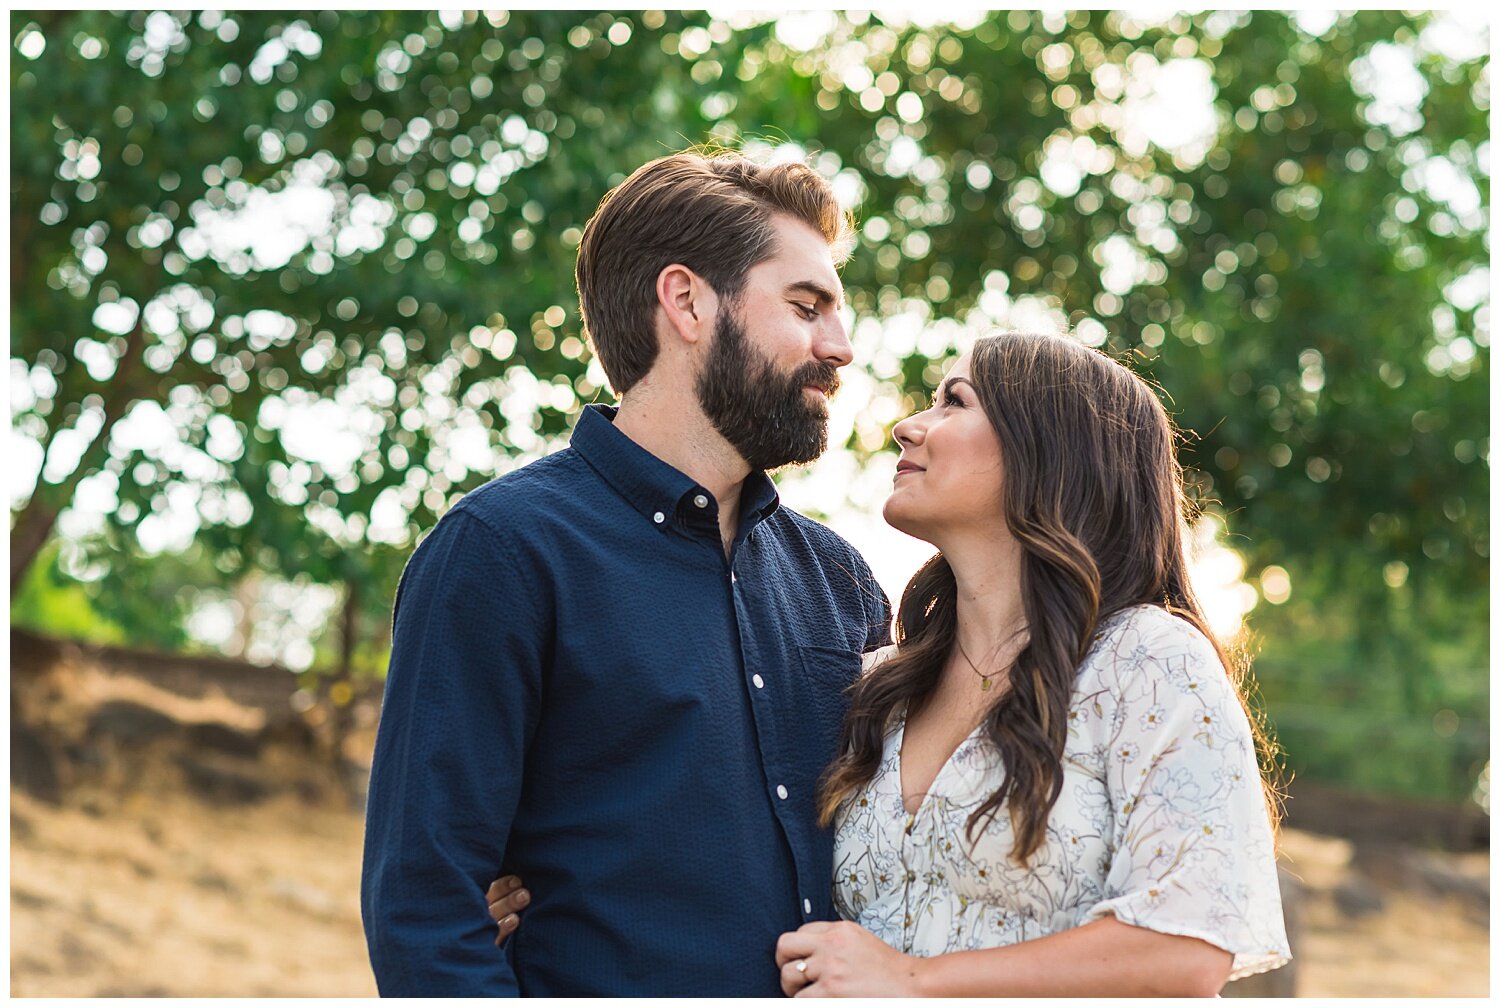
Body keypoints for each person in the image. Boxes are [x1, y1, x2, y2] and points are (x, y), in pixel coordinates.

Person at [491, 333, 1292, 996]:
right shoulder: (883, 681)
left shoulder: (1149, 660)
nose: (909, 425)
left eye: (954, 401)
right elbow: (733, 825)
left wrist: (915, 978)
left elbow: (1188, 951)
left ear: (1052, 452)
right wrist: (539, 892)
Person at [359, 150, 890, 996]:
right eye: (806, 307)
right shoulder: (499, 552)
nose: (841, 346)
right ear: (686, 300)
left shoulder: (843, 582)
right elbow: (427, 914)